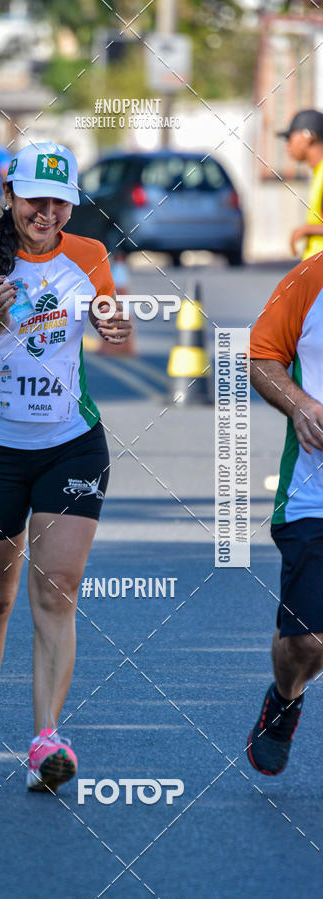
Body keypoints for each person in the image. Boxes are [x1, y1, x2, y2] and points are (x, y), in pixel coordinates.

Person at [0, 141, 132, 792]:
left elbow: (116, 335)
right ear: (12, 199)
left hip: (71, 444)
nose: (46, 212)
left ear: (71, 205)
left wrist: (114, 325)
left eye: (59, 201)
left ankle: (46, 736)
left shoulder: (90, 257)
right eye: (35, 199)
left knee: (56, 592)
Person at [248, 252, 323, 775]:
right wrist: (300, 405)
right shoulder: (310, 277)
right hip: (313, 494)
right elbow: (260, 356)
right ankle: (285, 697)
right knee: (304, 640)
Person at [278, 108, 323, 260]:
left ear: (307, 136)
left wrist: (305, 230)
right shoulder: (318, 173)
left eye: (290, 138)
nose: (287, 146)